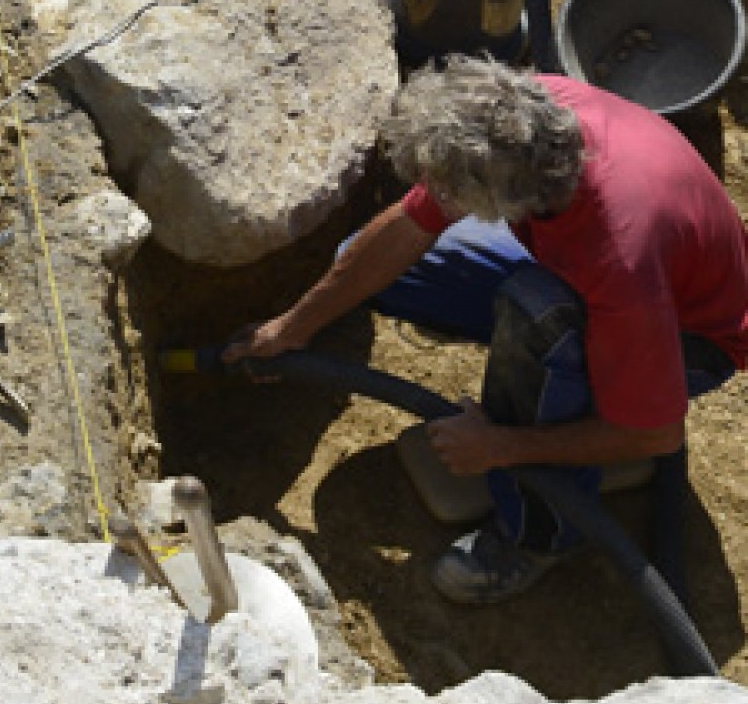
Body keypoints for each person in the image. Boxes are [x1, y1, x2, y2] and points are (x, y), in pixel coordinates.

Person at [227, 57, 748, 604]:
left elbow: (656, 436)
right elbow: (406, 230)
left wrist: (499, 445)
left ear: (504, 202)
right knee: (383, 265)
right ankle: (565, 384)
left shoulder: (620, 258)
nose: (434, 194)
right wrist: (293, 326)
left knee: (537, 317)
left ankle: (539, 536)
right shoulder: (523, 113)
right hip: (606, 275)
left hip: (691, 339)